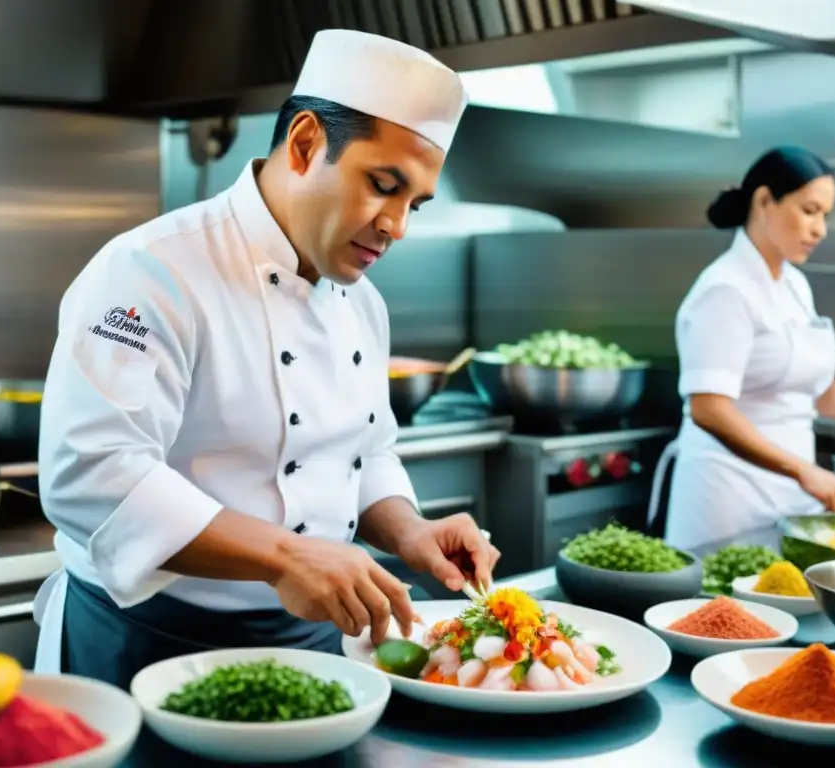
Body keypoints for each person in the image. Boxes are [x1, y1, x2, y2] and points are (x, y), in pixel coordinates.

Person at [30, 29, 499, 688]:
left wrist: (408, 530)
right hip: (152, 643)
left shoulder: (362, 302)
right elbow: (93, 474)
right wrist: (284, 557)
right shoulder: (152, 271)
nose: (398, 225)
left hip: (313, 642)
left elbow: (361, 452)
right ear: (306, 143)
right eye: (382, 185)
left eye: (413, 203)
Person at [648, 146, 835, 550]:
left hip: (792, 498)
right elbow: (709, 408)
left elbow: (809, 383)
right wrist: (802, 470)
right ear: (764, 201)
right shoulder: (725, 289)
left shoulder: (793, 284)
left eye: (825, 216)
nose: (820, 230)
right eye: (809, 210)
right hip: (728, 501)